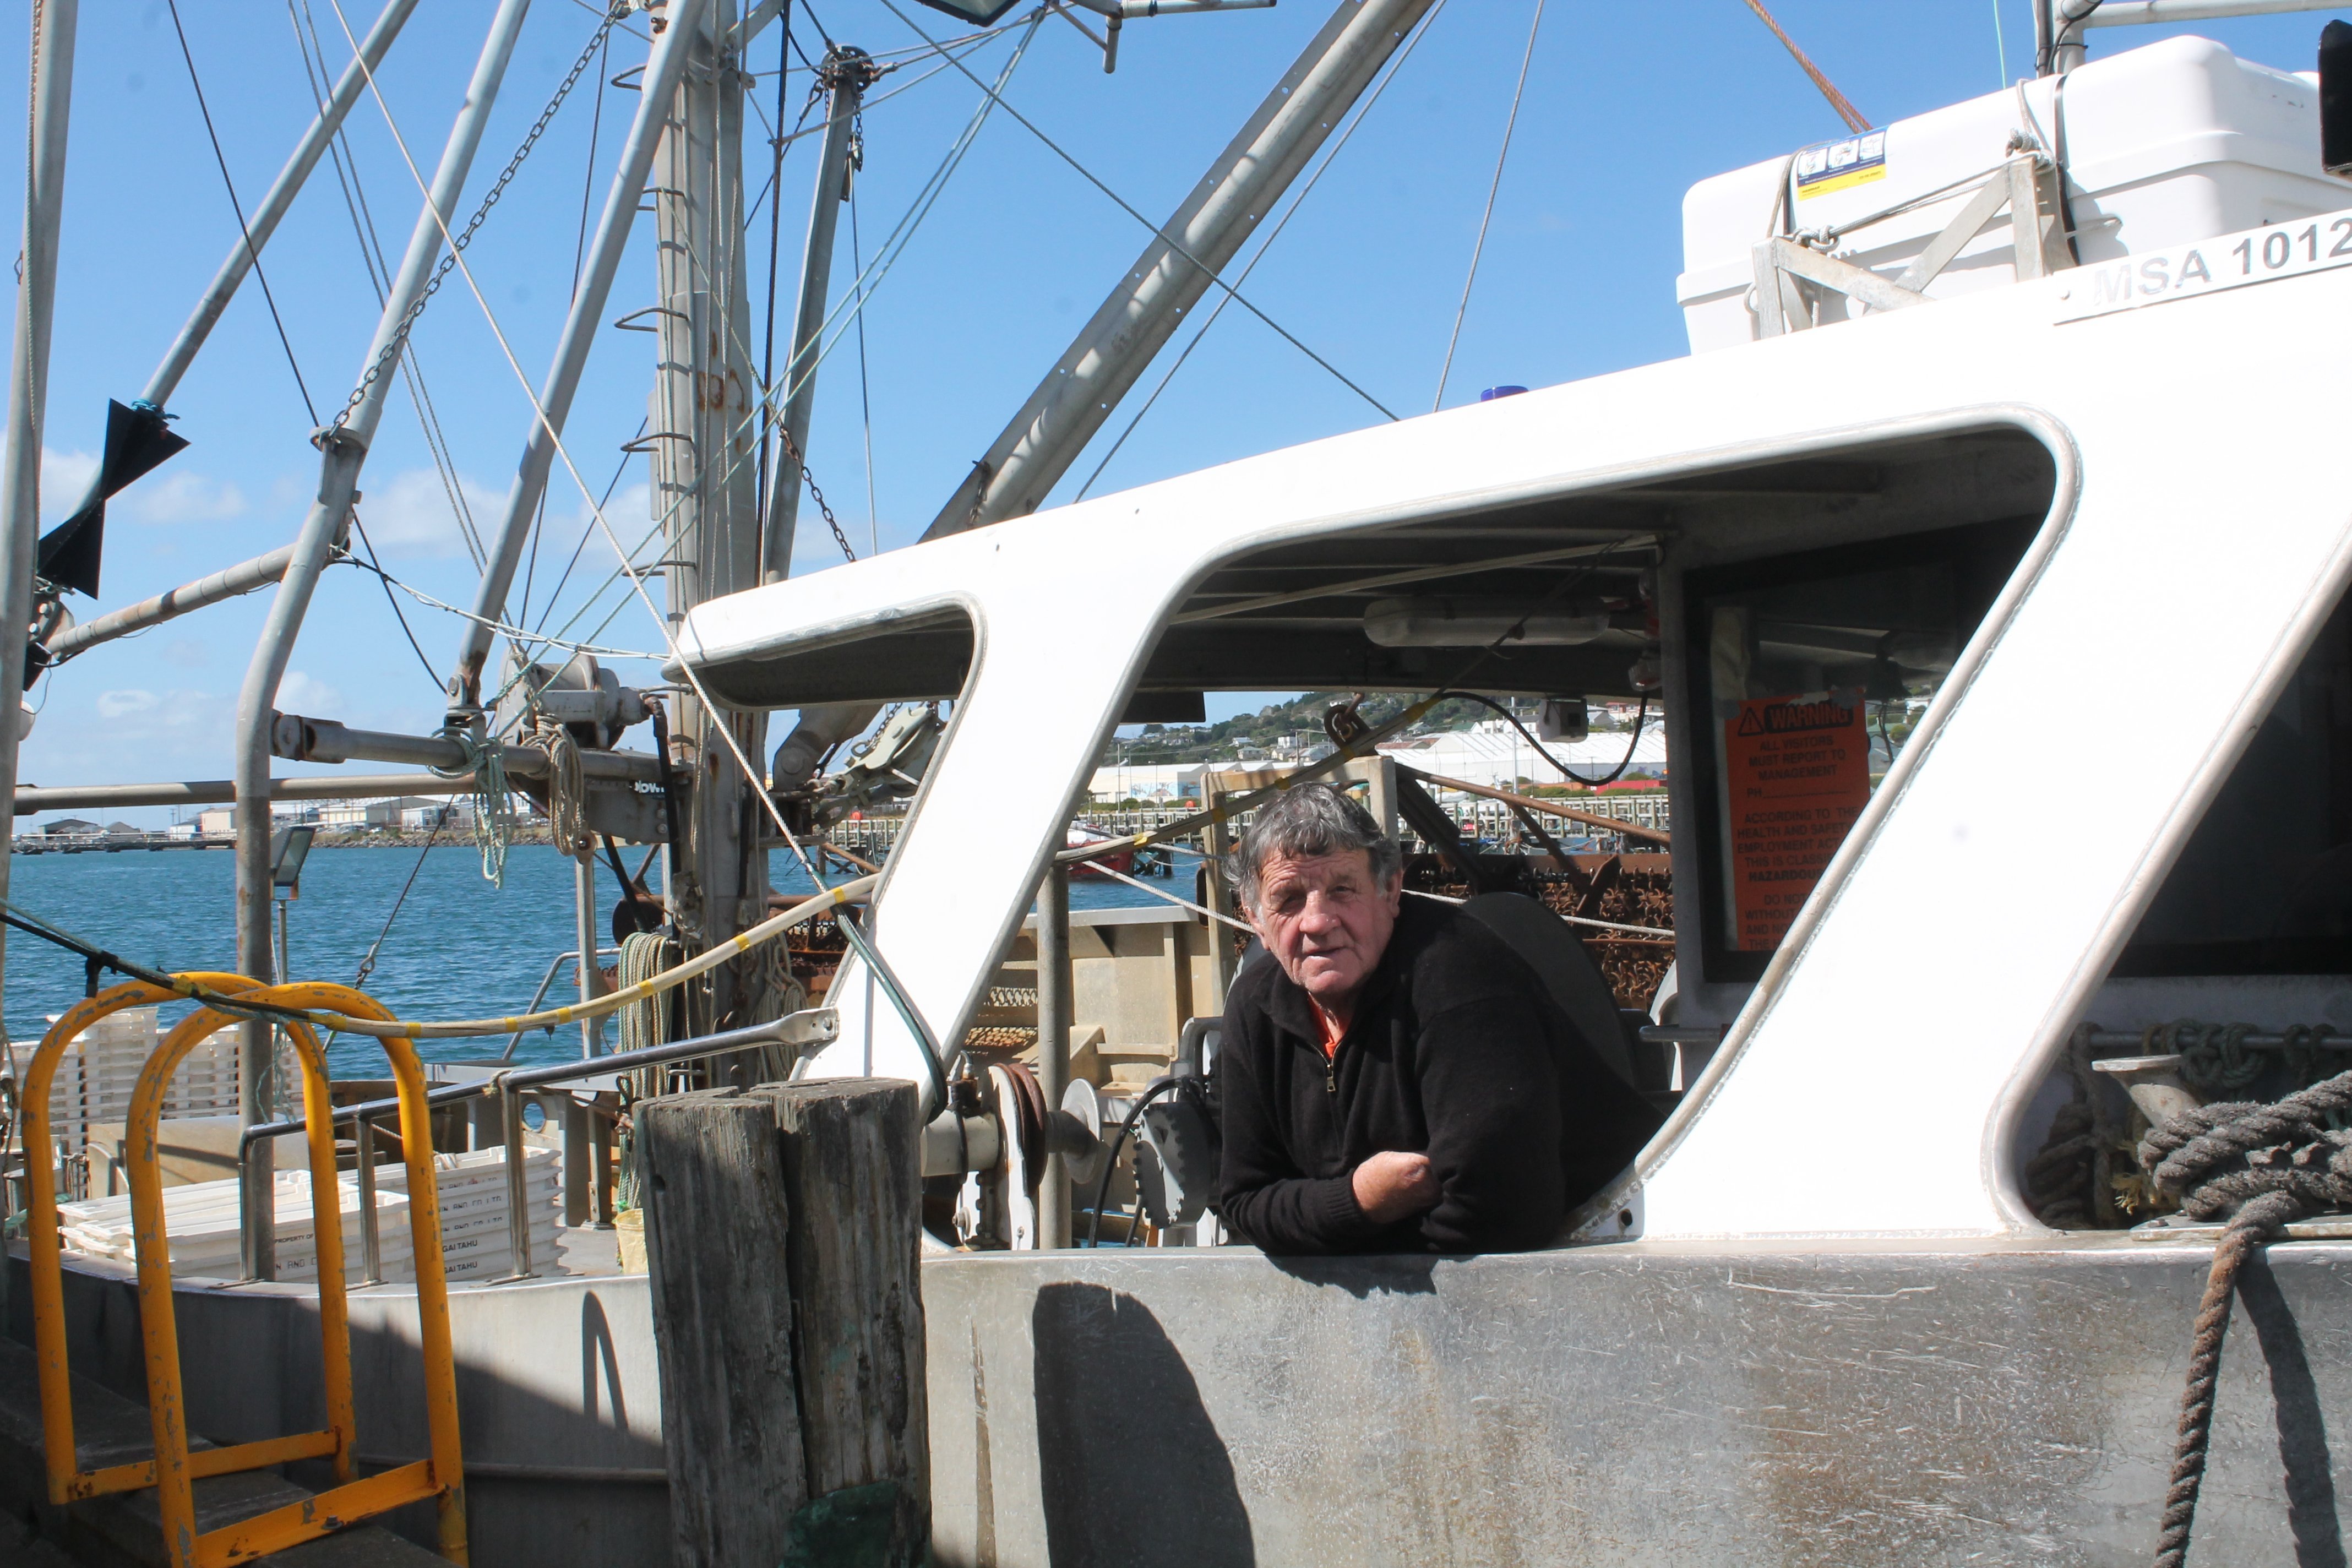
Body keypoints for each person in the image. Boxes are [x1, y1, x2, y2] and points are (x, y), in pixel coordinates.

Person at [1216, 782, 1659, 1255]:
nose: (1317, 921)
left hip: (1614, 1242)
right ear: (1256, 919)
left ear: (1390, 889)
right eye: (1288, 899)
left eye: (1343, 890)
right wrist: (1361, 1200)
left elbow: (1503, 1213)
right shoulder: (1255, 1006)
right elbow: (1244, 1201)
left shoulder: (1460, 977)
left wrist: (1321, 1227)